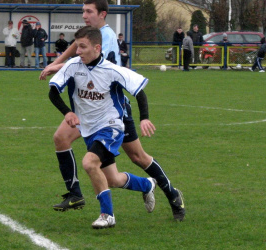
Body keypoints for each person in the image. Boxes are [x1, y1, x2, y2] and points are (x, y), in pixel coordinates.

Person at [40, 0, 185, 222]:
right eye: (83, 11)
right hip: (90, 110)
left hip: (114, 110)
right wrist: (58, 64)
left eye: (89, 11)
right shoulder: (87, 36)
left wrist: (57, 66)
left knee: (137, 156)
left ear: (102, 14)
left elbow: (85, 60)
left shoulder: (104, 37)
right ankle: (77, 193)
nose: (84, 16)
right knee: (109, 175)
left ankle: (172, 194)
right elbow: (75, 51)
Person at [49, 26, 157, 229]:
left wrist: (144, 118)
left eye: (82, 47)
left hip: (111, 126)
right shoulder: (73, 66)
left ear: (97, 47)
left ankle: (107, 215)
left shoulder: (112, 70)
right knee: (112, 180)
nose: (78, 51)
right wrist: (68, 112)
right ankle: (147, 184)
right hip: (89, 130)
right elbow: (53, 92)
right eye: (77, 46)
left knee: (90, 163)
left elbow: (139, 91)